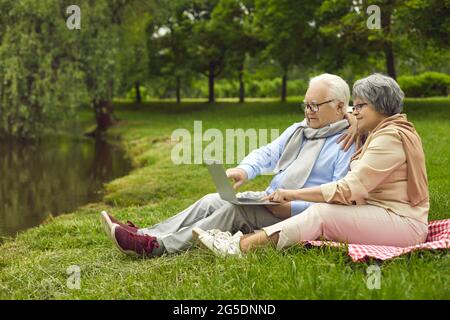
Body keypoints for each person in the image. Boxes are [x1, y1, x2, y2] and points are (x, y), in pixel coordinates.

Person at [101, 73, 357, 258]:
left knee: (233, 212)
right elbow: (268, 153)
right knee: (211, 200)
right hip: (271, 199)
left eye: (315, 105)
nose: (308, 111)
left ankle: (157, 246)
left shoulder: (348, 141)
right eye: (305, 104)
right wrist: (244, 169)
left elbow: (336, 196)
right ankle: (146, 233)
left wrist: (293, 206)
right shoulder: (299, 129)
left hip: (300, 213)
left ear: (339, 107)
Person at [196, 73, 430, 257]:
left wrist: (292, 194)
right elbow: (340, 109)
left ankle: (239, 248)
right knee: (320, 213)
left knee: (321, 214)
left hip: (401, 223)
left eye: (359, 107)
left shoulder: (388, 137)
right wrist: (350, 117)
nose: (354, 112)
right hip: (383, 213)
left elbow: (348, 190)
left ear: (380, 107)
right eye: (353, 107)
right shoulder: (385, 128)